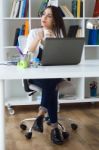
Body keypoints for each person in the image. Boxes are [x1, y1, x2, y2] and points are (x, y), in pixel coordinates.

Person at [24, 5, 68, 145]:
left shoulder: (59, 34)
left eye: (49, 15)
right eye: (43, 14)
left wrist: (52, 41)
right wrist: (40, 40)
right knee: (52, 85)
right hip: (36, 75)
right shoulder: (34, 32)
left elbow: (63, 58)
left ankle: (40, 116)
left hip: (54, 75)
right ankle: (55, 129)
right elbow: (27, 54)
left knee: (52, 82)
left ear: (55, 20)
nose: (44, 17)